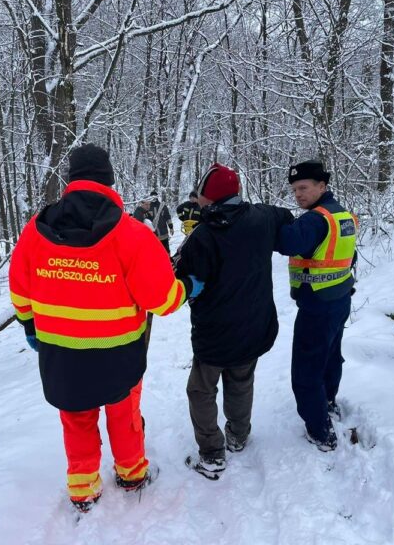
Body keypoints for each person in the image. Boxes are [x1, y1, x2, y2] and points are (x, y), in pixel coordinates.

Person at [9, 144, 203, 512]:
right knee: (124, 415)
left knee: (77, 419)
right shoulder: (132, 234)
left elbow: (20, 288)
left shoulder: (36, 230)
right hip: (119, 354)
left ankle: (83, 489)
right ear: (109, 181)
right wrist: (187, 288)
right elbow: (161, 300)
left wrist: (29, 325)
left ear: (70, 181)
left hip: (60, 354)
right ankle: (132, 474)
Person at [173, 163, 293, 479]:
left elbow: (178, 275)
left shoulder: (203, 236)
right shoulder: (262, 217)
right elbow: (286, 217)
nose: (196, 199)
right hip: (255, 327)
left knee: (201, 390)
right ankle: (238, 435)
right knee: (241, 381)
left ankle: (212, 454)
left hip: (214, 333)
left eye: (200, 195)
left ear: (209, 198)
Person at [277, 159, 357, 452]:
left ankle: (320, 430)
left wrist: (271, 219)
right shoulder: (343, 215)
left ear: (322, 186)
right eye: (294, 190)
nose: (298, 194)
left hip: (317, 304)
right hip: (340, 298)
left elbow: (286, 242)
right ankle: (328, 401)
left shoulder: (314, 219)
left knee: (306, 368)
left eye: (303, 188)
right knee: (331, 356)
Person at [148, 191, 175, 255]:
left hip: (164, 233)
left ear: (157, 197)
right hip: (154, 235)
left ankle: (168, 260)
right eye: (152, 197)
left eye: (155, 196)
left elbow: (168, 218)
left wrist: (171, 227)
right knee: (156, 252)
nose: (153, 198)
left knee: (166, 250)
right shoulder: (148, 207)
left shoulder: (162, 206)